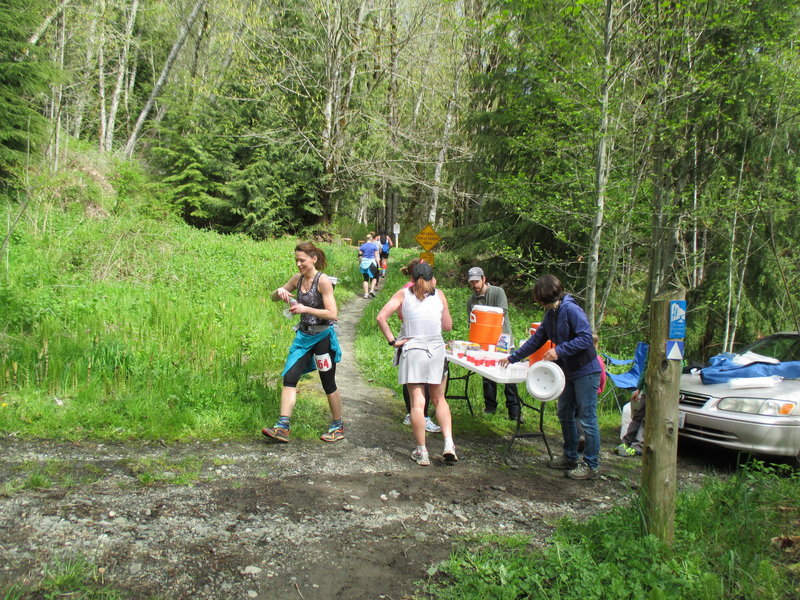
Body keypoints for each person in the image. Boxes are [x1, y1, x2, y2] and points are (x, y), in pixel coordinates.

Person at [499, 275, 601, 480]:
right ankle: (570, 457)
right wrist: (513, 357)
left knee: (587, 418)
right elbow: (537, 339)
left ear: (546, 295)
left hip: (586, 370)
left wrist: (560, 351)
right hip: (567, 372)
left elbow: (586, 338)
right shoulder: (551, 314)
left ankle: (591, 465)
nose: (538, 303)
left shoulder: (571, 310)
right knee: (565, 413)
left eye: (539, 298)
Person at [262, 241, 344, 444]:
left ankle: (338, 425)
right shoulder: (297, 279)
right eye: (296, 260)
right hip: (303, 338)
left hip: (322, 338)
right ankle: (282, 426)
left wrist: (305, 309)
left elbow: (333, 314)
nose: (298, 264)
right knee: (289, 377)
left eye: (302, 260)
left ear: (313, 259)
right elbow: (273, 298)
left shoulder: (322, 281)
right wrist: (279, 291)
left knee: (328, 382)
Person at [377, 262, 456, 466]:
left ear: (411, 279)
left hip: (413, 350)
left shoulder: (403, 294)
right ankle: (449, 444)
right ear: (432, 279)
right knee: (439, 399)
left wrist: (393, 341)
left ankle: (422, 451)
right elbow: (447, 326)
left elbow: (381, 317)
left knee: (417, 404)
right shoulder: (439, 295)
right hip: (436, 351)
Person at [466, 266, 522, 421]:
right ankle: (490, 407)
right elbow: (472, 322)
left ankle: (515, 411)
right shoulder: (471, 300)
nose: (475, 285)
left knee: (509, 375)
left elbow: (501, 312)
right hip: (484, 341)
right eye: (472, 283)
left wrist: (483, 314)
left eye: (477, 281)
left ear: (484, 279)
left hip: (502, 339)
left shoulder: (498, 292)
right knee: (488, 375)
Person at [398, 258, 441, 433]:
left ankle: (422, 419)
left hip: (429, 343)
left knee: (425, 382)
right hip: (413, 341)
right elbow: (401, 316)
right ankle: (415, 415)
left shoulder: (434, 293)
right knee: (417, 384)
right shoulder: (405, 292)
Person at [358, 234, 380, 298]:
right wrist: (378, 264)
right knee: (374, 277)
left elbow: (359, 256)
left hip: (364, 263)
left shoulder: (362, 246)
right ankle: (372, 290)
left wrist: (360, 263)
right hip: (371, 263)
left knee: (365, 279)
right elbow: (376, 257)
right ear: (371, 238)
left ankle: (366, 294)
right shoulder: (374, 246)